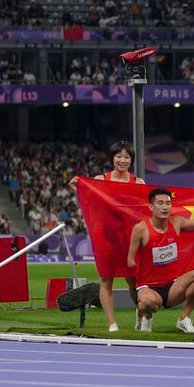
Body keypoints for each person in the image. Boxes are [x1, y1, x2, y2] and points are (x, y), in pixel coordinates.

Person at [127, 186, 194, 333]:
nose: (165, 207)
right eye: (160, 203)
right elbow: (130, 262)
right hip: (149, 287)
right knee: (147, 303)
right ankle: (145, 316)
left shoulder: (176, 222)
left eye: (168, 203)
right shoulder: (140, 229)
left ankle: (184, 318)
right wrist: (137, 289)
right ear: (151, 206)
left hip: (172, 287)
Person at [69, 140, 145, 332]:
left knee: (133, 281)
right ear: (112, 158)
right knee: (106, 280)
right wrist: (78, 189)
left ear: (132, 160)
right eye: (118, 156)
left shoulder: (139, 183)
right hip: (106, 238)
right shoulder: (100, 179)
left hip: (130, 239)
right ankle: (112, 324)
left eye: (127, 157)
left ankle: (141, 314)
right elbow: (90, 201)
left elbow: (144, 210)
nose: (122, 160)